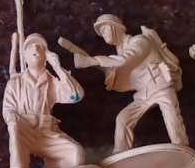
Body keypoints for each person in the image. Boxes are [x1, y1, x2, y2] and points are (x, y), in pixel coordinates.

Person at [74, 14, 188, 152]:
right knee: (123, 119)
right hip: (143, 93)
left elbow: (125, 60)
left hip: (160, 85)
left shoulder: (139, 41)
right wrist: (99, 66)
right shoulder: (120, 52)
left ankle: (181, 147)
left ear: (115, 27)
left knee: (171, 113)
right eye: (102, 32)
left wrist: (94, 60)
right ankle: (120, 153)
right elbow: (120, 78)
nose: (103, 34)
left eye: (105, 29)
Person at [3, 34, 86, 168]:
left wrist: (58, 68)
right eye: (30, 47)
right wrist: (12, 118)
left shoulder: (53, 82)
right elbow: (8, 109)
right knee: (13, 125)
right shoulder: (15, 83)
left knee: (77, 155)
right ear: (24, 56)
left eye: (39, 47)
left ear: (46, 55)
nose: (35, 49)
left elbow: (76, 96)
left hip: (48, 133)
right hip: (24, 131)